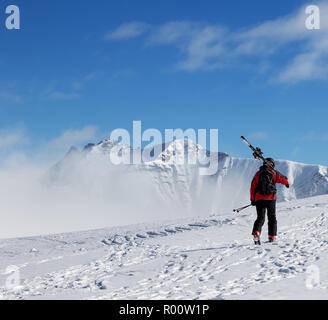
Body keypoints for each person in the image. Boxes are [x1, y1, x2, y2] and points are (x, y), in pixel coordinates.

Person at [250, 158, 289, 244]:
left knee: (260, 217)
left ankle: (256, 233)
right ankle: (272, 236)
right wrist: (286, 183)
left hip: (259, 199)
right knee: (272, 217)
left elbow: (253, 186)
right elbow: (282, 179)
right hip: (271, 199)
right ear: (272, 164)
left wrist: (252, 199)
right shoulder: (273, 173)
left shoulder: (258, 173)